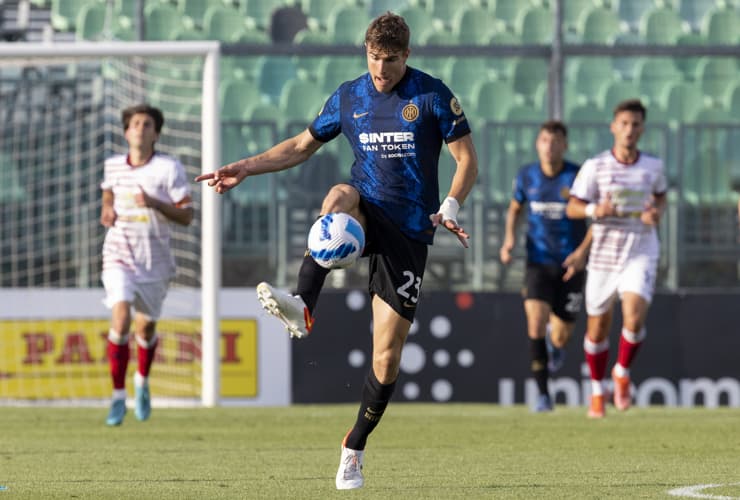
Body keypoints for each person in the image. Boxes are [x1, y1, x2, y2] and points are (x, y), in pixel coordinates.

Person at [197, 12, 478, 490]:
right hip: (365, 208)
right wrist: (246, 166)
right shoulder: (350, 96)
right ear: (364, 52)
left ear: (406, 56)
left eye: (390, 60)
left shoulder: (431, 95)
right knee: (337, 197)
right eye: (373, 58)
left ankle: (354, 447)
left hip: (409, 231)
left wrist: (451, 203)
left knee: (386, 358)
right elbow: (302, 145)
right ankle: (304, 305)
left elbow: (466, 158)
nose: (381, 69)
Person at [566, 99, 667, 419]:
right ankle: (598, 391)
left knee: (634, 317)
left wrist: (655, 214)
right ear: (613, 127)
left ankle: (622, 373)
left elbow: (661, 198)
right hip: (603, 258)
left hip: (640, 250)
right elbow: (573, 207)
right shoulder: (595, 167)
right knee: (598, 328)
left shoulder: (653, 167)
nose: (629, 130)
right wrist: (598, 210)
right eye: (624, 124)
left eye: (636, 124)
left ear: (642, 129)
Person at [100, 104, 194, 426]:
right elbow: (108, 198)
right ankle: (116, 398)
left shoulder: (168, 169)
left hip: (154, 261)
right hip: (119, 255)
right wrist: (107, 212)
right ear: (126, 132)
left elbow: (186, 215)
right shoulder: (113, 166)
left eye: (147, 124)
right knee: (121, 316)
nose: (140, 128)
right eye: (135, 123)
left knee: (146, 327)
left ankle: (141, 381)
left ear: (156, 133)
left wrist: (154, 202)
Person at [499, 120, 591, 413]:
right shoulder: (527, 176)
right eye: (544, 141)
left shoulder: (577, 177)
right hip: (537, 262)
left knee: (562, 334)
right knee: (536, 323)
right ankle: (543, 395)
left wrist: (581, 253)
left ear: (565, 145)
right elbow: (515, 209)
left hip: (571, 265)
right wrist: (509, 240)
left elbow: (596, 220)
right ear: (538, 144)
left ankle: (558, 344)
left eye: (555, 141)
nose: (549, 147)